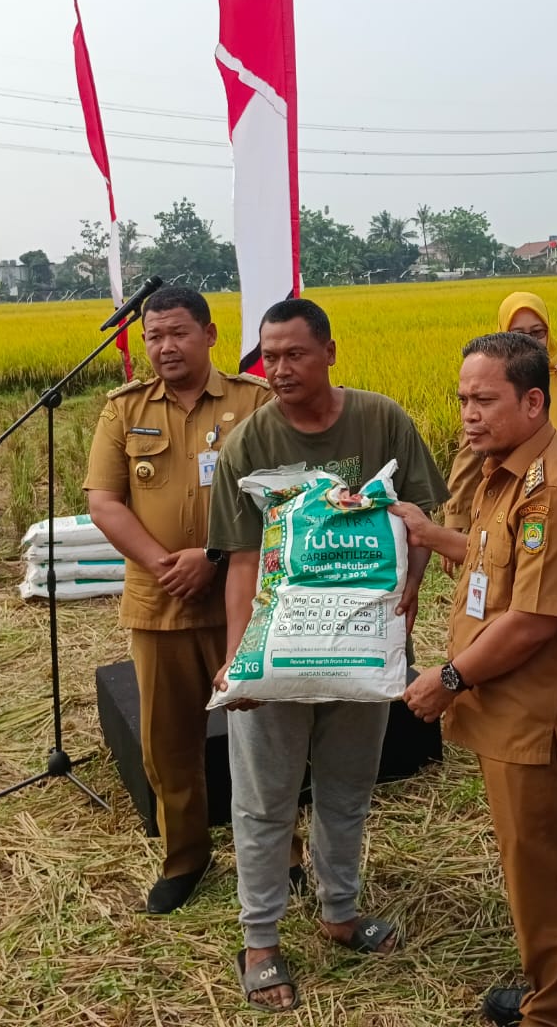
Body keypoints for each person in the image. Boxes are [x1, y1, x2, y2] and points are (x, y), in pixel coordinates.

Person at [207, 297, 449, 1013]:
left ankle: (339, 913)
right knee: (264, 801)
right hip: (279, 650)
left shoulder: (382, 421)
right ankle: (260, 941)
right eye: (269, 357)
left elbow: (419, 523)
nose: (279, 369)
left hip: (361, 647)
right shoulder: (248, 443)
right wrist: (237, 658)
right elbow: (242, 561)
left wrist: (409, 591)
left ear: (329, 352)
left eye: (294, 354)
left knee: (347, 788)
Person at [392, 330, 557, 1027]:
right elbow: (497, 563)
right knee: (550, 859)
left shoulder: (555, 491)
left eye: (484, 400)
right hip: (515, 710)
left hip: (536, 715)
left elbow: (533, 620)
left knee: (541, 868)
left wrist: (449, 678)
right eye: (463, 399)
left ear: (533, 401)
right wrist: (431, 534)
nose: (469, 414)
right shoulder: (509, 472)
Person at [83, 284, 274, 913]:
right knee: (168, 744)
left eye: (178, 333)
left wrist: (212, 556)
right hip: (159, 601)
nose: (165, 346)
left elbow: (281, 495)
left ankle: (282, 855)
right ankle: (186, 858)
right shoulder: (124, 409)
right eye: (154, 336)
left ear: (209, 335)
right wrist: (163, 564)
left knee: (263, 735)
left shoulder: (255, 401)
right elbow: (105, 502)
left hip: (241, 600)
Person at [444, 291, 557, 548]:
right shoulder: (495, 377)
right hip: (507, 497)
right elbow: (471, 451)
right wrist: (455, 517)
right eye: (518, 334)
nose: (530, 342)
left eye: (537, 333)